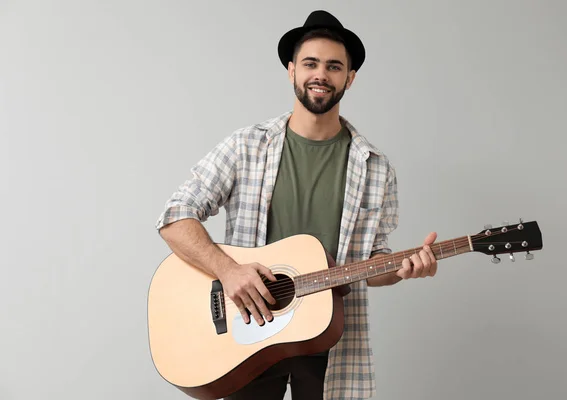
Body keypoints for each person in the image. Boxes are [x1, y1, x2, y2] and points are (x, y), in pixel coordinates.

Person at [155, 9, 438, 400]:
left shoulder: (375, 168)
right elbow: (174, 217)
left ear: (349, 79)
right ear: (291, 71)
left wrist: (403, 269)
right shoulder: (247, 147)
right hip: (247, 332)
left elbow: (373, 265)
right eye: (310, 63)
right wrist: (229, 270)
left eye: (334, 66)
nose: (321, 74)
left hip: (329, 341)